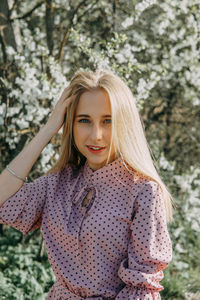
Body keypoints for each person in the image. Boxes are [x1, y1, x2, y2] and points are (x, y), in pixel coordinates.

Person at [0, 69, 174, 300]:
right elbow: (3, 201)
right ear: (70, 124)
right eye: (84, 120)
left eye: (108, 121)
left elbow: (142, 287)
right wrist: (50, 128)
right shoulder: (59, 182)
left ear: (125, 124)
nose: (96, 135)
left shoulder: (142, 191)